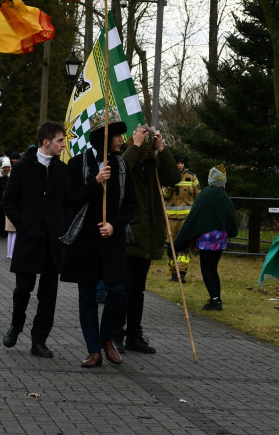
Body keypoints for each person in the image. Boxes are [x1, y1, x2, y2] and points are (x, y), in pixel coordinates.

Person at [61, 112, 137, 368]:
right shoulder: (76, 164)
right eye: (116, 134)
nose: (121, 139)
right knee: (87, 296)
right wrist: (95, 182)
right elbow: (71, 200)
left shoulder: (123, 165)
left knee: (117, 290)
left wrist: (114, 225)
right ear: (101, 138)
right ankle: (93, 350)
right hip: (85, 240)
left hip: (111, 239)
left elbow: (130, 205)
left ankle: (107, 338)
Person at [0, 122, 69, 358]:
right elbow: (8, 200)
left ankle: (39, 339)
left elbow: (68, 202)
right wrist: (24, 224)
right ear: (46, 142)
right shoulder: (22, 168)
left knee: (48, 294)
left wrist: (61, 225)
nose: (63, 145)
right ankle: (16, 325)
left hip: (52, 241)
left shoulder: (62, 170)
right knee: (23, 289)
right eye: (60, 140)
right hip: (29, 239)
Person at [117, 123, 180, 353]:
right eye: (146, 146)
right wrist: (135, 145)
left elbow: (173, 177)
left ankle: (134, 334)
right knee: (123, 288)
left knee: (137, 290)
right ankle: (116, 333)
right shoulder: (126, 157)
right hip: (128, 234)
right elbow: (120, 171)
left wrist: (162, 150)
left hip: (147, 235)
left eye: (150, 146)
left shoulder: (153, 162)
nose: (147, 150)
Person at [173, 164, 238, 311]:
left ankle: (214, 300)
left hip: (207, 239)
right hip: (220, 238)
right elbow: (231, 217)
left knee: (206, 269)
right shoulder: (224, 197)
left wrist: (180, 240)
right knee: (213, 268)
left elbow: (194, 217)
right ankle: (217, 298)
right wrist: (231, 231)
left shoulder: (204, 195)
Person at [163, 153, 200, 281]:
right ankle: (173, 274)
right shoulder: (167, 176)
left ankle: (182, 273)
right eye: (177, 163)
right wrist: (169, 187)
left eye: (181, 163)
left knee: (184, 246)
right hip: (171, 219)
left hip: (186, 219)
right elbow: (162, 195)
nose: (179, 165)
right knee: (171, 248)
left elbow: (198, 196)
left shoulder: (191, 177)